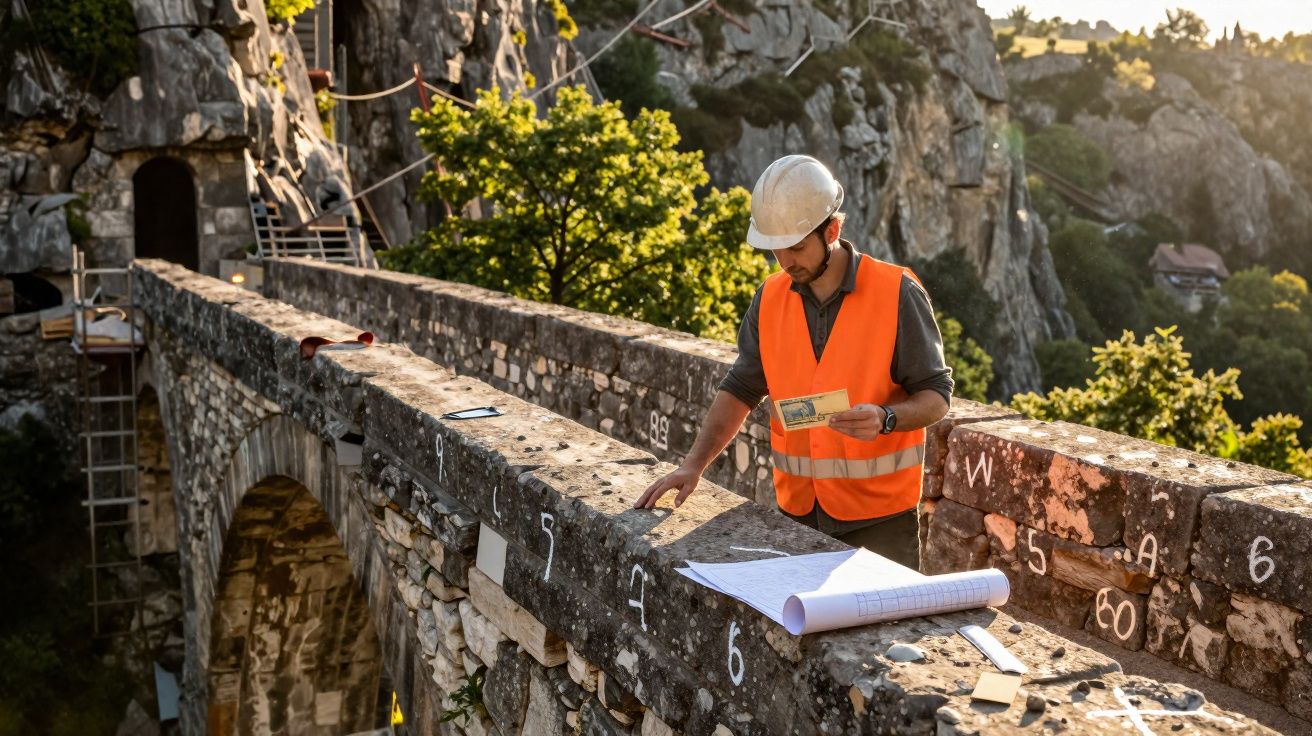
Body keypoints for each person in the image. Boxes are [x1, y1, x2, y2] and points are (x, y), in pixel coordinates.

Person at [633, 155, 953, 570]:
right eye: (775, 249)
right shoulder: (769, 298)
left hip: (880, 523)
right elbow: (741, 388)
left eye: (797, 246)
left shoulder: (897, 292)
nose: (785, 261)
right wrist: (693, 466)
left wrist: (886, 417)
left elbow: (937, 395)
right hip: (796, 514)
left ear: (832, 230)